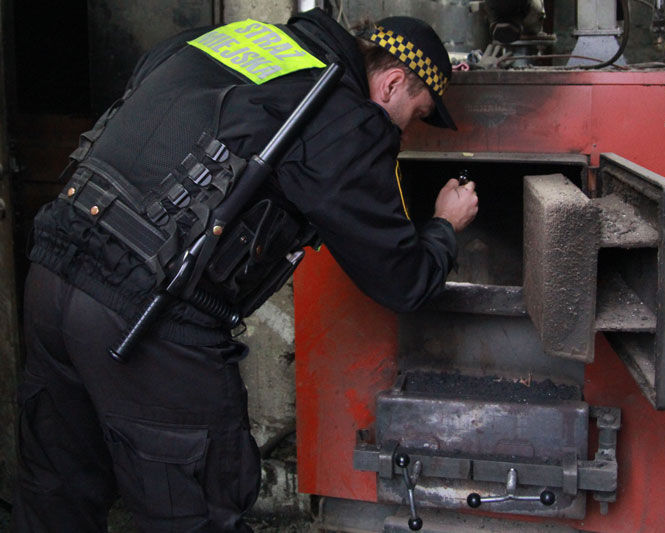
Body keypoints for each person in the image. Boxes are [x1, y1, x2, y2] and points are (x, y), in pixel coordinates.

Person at [12, 7, 478, 533]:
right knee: (195, 513)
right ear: (391, 83)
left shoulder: (240, 38)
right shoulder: (342, 114)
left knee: (55, 492)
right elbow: (403, 279)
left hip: (53, 268)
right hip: (148, 318)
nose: (405, 132)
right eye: (415, 114)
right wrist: (444, 225)